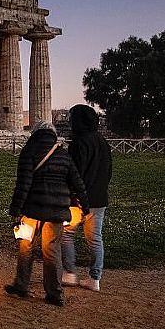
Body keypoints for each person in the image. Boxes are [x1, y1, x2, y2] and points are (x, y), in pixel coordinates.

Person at [6, 121, 89, 307]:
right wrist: (85, 206)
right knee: (52, 251)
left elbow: (23, 184)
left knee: (26, 247)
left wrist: (15, 209)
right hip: (57, 211)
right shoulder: (62, 154)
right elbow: (77, 182)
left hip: (32, 210)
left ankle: (21, 286)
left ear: (35, 133)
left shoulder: (29, 152)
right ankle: (55, 293)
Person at [61, 104, 113, 292]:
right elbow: (108, 171)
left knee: (66, 234)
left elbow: (74, 173)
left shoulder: (78, 143)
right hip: (99, 198)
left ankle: (69, 273)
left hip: (79, 199)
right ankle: (94, 278)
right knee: (95, 238)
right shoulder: (103, 142)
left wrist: (71, 194)